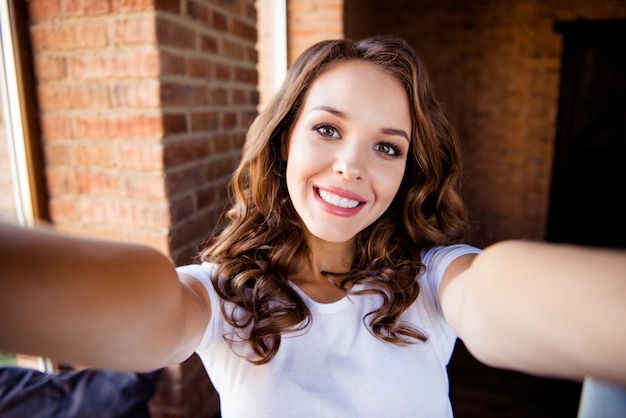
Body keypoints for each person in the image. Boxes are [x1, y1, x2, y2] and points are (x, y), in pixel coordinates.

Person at [1, 35, 625, 417]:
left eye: (387, 147)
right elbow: (147, 312)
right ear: (283, 144)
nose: (351, 165)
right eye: (327, 129)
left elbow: (498, 295)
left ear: (407, 172)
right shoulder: (221, 297)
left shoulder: (434, 281)